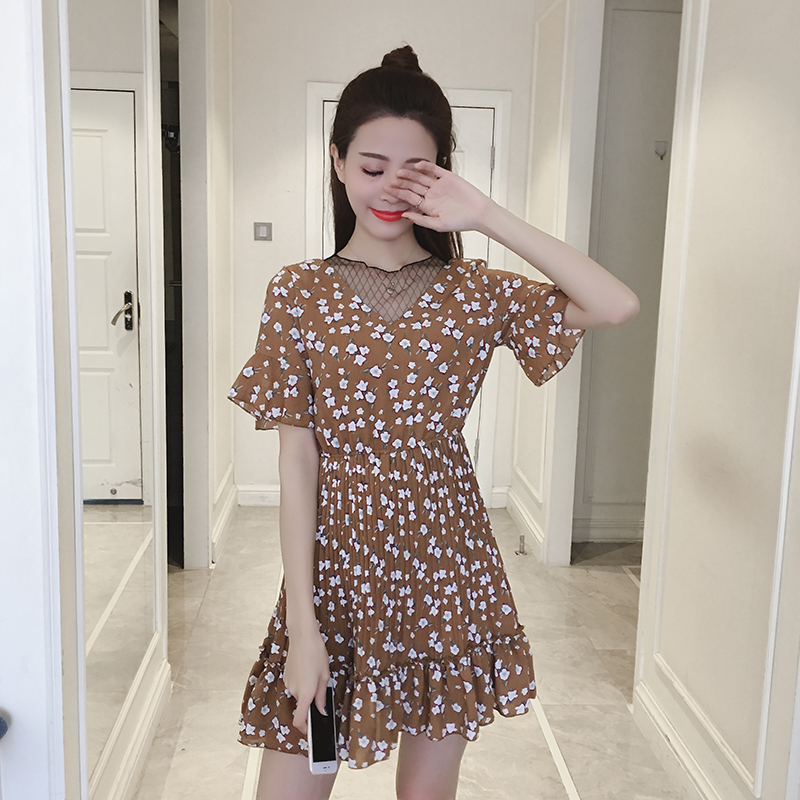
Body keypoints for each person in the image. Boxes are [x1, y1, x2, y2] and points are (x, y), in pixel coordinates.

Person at [228, 45, 639, 800]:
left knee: (425, 794)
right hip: (337, 576)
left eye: (414, 170)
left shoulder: (474, 291)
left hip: (446, 571)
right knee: (293, 781)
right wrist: (305, 628)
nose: (390, 188)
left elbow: (615, 304)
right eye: (372, 166)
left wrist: (485, 215)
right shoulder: (298, 291)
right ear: (337, 162)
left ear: (442, 173)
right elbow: (297, 462)